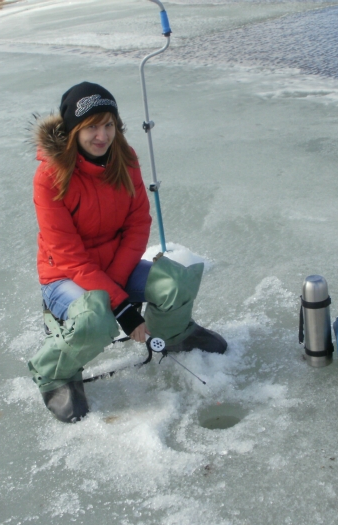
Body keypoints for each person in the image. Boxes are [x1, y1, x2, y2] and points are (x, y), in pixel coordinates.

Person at [28, 82, 227, 423]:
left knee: (176, 282)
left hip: (114, 267)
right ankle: (54, 373)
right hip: (64, 274)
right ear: (73, 129)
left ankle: (173, 333)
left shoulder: (125, 156)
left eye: (108, 124)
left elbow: (138, 223)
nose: (102, 135)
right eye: (91, 126)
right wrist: (118, 304)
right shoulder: (49, 176)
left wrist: (115, 291)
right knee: (96, 319)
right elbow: (68, 254)